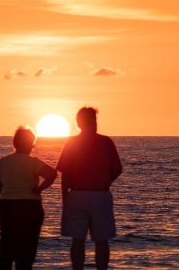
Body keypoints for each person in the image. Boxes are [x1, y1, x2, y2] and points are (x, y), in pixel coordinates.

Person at [57, 107, 122, 270]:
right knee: (101, 240)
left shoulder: (72, 143)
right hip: (100, 194)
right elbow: (117, 169)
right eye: (94, 120)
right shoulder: (106, 142)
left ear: (78, 123)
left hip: (78, 194)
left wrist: (65, 198)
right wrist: (105, 181)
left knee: (78, 240)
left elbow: (65, 174)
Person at [0, 126, 57, 269]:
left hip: (7, 205)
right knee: (27, 248)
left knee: (7, 246)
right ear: (30, 144)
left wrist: (7, 189)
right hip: (30, 205)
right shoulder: (33, 162)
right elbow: (52, 174)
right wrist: (40, 188)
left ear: (15, 143)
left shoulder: (4, 162)